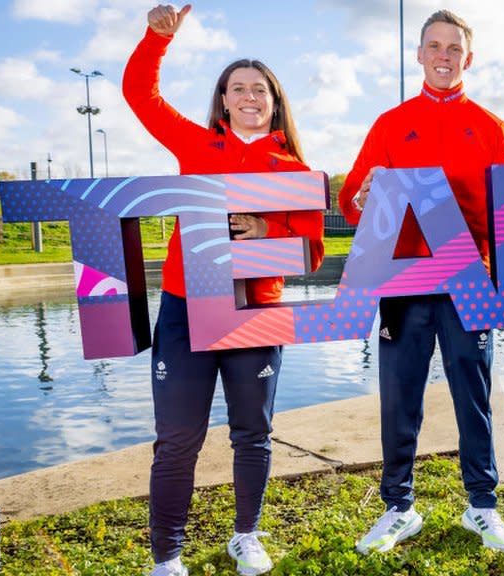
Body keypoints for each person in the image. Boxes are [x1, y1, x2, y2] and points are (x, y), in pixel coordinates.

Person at [123, 5, 325, 576]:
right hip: (188, 311)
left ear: (275, 99)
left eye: (259, 89)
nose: (249, 97)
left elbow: (310, 250)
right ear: (224, 99)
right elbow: (141, 95)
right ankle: (167, 555)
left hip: (257, 312)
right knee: (178, 435)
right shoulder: (196, 147)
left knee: (252, 433)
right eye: (238, 89)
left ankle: (246, 535)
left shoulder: (293, 168)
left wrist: (268, 229)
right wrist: (155, 39)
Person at [338, 9, 504, 554]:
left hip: (469, 281)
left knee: (475, 396)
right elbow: (351, 201)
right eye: (434, 46)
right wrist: (364, 199)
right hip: (403, 282)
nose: (444, 56)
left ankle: (482, 506)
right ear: (419, 54)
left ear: (469, 56)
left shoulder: (492, 128)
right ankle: (398, 507)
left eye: (454, 48)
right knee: (400, 397)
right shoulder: (391, 124)